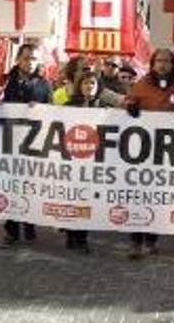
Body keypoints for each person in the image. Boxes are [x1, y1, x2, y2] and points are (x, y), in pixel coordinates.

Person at [124, 49, 174, 259]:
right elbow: (128, 103)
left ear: (173, 65)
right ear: (152, 64)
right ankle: (135, 242)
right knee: (138, 196)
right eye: (159, 61)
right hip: (141, 152)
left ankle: (151, 241)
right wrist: (131, 107)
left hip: (166, 155)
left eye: (167, 61)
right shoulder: (141, 85)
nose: (162, 65)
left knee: (157, 198)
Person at [1, 43, 52, 247]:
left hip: (34, 145)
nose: (30, 62)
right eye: (27, 58)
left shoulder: (44, 84)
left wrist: (40, 110)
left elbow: (52, 113)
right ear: (18, 59)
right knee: (12, 186)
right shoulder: (5, 81)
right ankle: (11, 230)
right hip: (11, 142)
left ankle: (30, 224)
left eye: (34, 59)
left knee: (30, 186)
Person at [64, 71, 105, 254]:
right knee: (72, 198)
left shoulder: (104, 108)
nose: (89, 86)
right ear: (80, 85)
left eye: (93, 84)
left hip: (92, 163)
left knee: (86, 200)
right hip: (71, 161)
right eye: (86, 83)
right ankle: (70, 236)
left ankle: (82, 238)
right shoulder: (67, 106)